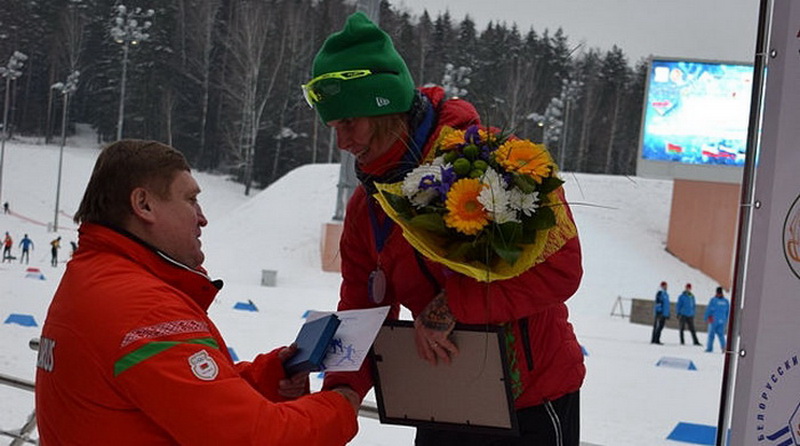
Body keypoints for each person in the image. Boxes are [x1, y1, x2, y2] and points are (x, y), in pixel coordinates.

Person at [305, 12, 584, 445]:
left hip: (530, 400)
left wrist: (454, 304)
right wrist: (341, 393)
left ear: (385, 106)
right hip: (441, 401)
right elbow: (362, 307)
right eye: (333, 127)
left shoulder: (497, 162)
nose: (342, 142)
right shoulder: (368, 205)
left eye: (348, 123)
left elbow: (561, 269)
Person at [35, 140, 359, 445]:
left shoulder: (95, 277)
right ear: (143, 204)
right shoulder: (143, 308)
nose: (202, 218)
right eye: (190, 200)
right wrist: (341, 404)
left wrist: (269, 376)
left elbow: (173, 395)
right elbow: (255, 437)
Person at [704, 286, 730, 353]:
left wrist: (706, 318)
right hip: (722, 320)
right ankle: (724, 348)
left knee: (711, 335)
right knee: (721, 335)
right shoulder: (726, 301)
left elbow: (709, 310)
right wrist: (726, 319)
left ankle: (709, 348)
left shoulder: (713, 300)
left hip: (713, 320)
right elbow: (728, 312)